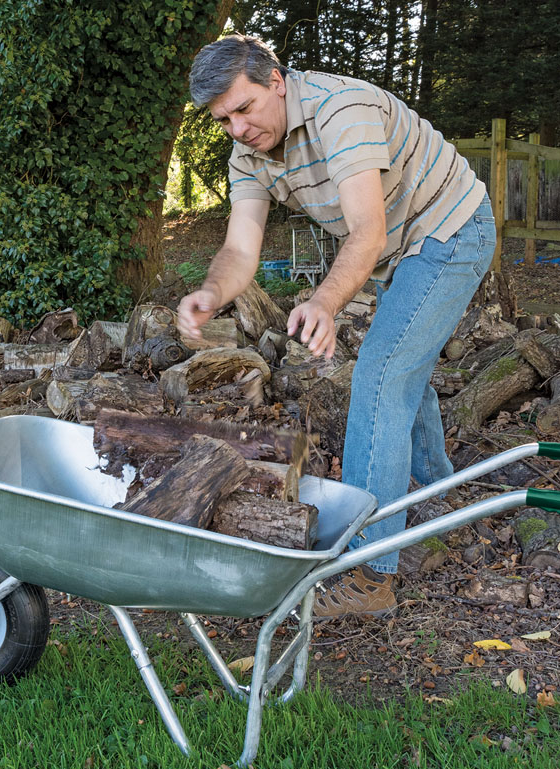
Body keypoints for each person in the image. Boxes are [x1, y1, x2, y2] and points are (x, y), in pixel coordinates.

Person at [177, 34, 496, 619]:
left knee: (379, 377)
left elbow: (367, 230)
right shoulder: (249, 153)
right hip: (401, 248)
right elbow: (240, 248)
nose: (238, 130)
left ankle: (371, 576)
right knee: (406, 371)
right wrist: (210, 292)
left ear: (276, 80)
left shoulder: (339, 111)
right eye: (223, 121)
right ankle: (435, 498)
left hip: (450, 230)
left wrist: (324, 302)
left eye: (244, 109)